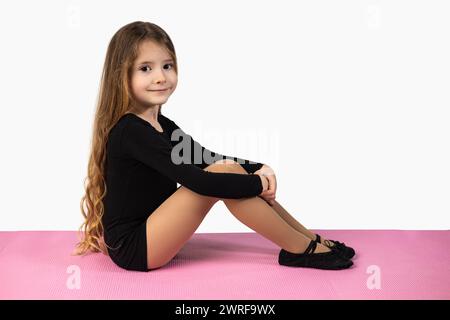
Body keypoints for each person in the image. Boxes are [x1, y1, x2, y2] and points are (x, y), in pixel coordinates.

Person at [73, 21, 355, 272]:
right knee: (220, 175)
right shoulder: (130, 130)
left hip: (155, 233)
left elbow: (204, 157)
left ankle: (308, 240)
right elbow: (197, 180)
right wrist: (257, 184)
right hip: (135, 250)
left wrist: (257, 168)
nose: (160, 77)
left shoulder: (164, 125)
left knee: (224, 168)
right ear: (120, 76)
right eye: (145, 68)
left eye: (167, 66)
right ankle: (302, 250)